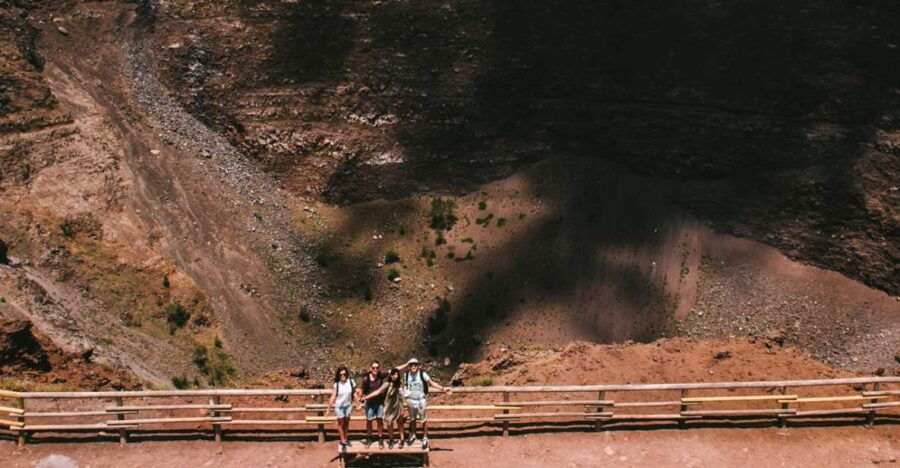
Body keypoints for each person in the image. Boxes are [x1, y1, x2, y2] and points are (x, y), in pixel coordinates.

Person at [399, 357, 449, 449]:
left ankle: (425, 437)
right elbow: (405, 386)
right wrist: (404, 391)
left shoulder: (422, 374)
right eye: (411, 365)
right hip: (411, 401)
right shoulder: (406, 375)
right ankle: (413, 434)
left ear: (418, 366)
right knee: (412, 419)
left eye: (415, 365)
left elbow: (431, 383)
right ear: (409, 366)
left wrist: (443, 388)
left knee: (423, 420)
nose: (413, 366)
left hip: (421, 400)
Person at [359, 367, 408, 449]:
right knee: (389, 423)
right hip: (389, 406)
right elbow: (377, 392)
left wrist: (404, 407)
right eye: (393, 374)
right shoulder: (387, 384)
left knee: (400, 423)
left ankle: (402, 439)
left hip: (398, 406)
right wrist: (366, 398)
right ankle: (391, 439)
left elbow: (403, 396)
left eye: (396, 374)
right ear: (390, 375)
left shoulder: (400, 384)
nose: (394, 376)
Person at [357, 360, 389, 447]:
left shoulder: (380, 375)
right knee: (369, 421)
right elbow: (362, 391)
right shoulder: (366, 379)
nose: (375, 369)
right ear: (370, 368)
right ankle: (369, 438)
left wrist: (407, 364)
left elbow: (394, 370)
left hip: (379, 402)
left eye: (377, 367)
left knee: (379, 420)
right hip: (370, 403)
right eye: (374, 367)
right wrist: (360, 403)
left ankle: (380, 438)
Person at [325, 365, 355, 451]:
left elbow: (354, 393)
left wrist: (358, 402)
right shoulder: (337, 384)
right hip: (339, 406)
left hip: (348, 405)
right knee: (341, 423)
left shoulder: (351, 382)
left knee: (347, 422)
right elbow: (333, 396)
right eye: (340, 374)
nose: (343, 376)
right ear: (338, 375)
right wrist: (328, 409)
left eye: (344, 374)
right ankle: (343, 441)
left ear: (347, 374)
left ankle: (345, 438)